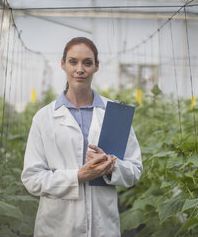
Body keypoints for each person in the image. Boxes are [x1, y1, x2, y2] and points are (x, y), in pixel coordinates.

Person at [21, 37, 143, 236]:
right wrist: (77, 177)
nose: (80, 69)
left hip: (102, 225)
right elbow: (32, 178)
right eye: (73, 62)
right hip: (58, 226)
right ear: (62, 64)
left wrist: (111, 166)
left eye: (87, 62)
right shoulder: (44, 118)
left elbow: (135, 169)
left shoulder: (115, 115)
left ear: (96, 66)